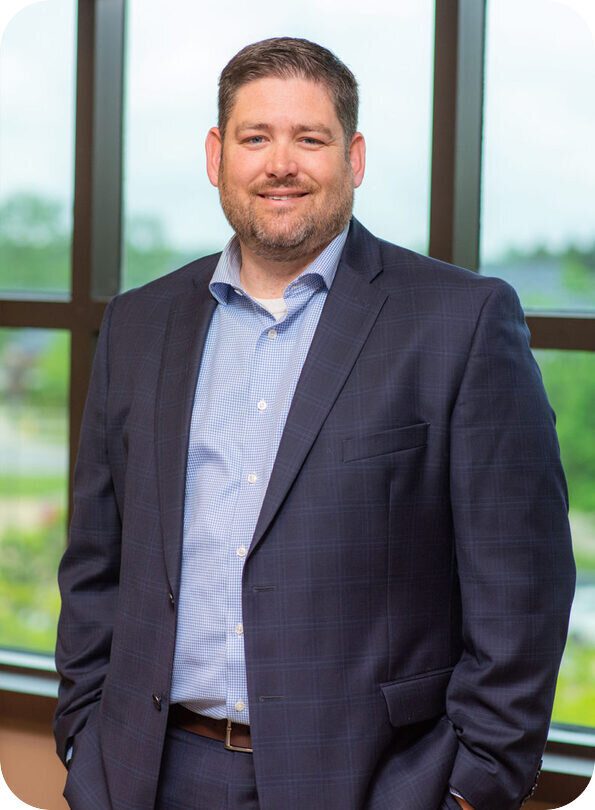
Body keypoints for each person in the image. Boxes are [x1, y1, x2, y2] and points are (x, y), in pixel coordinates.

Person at [54, 37, 575, 810]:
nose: (280, 163)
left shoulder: (459, 321)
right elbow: (96, 565)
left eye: (310, 138)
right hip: (148, 773)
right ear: (215, 154)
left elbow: (521, 592)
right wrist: (83, 737)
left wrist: (467, 789)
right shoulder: (137, 324)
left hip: (370, 781)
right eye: (255, 137)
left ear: (353, 157)